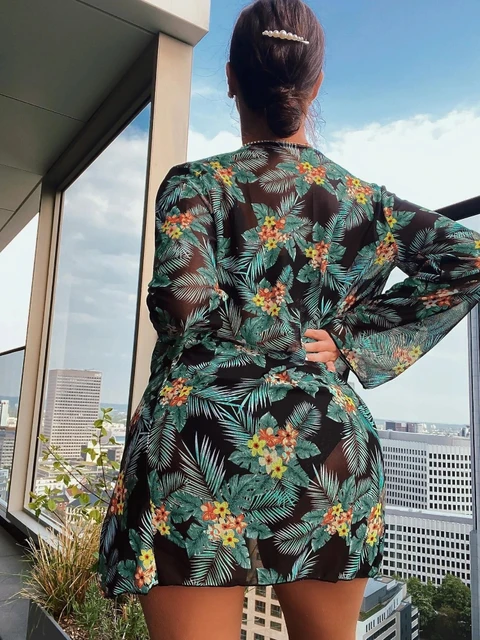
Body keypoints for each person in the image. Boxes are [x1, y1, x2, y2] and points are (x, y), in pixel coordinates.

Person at [96, 1, 480, 638]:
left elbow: (183, 308)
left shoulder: (194, 186)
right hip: (326, 445)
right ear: (316, 84)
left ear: (230, 79)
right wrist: (348, 342)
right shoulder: (365, 203)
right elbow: (470, 259)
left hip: (197, 444)